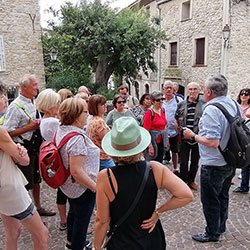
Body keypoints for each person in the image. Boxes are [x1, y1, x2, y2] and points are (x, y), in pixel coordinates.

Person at [93, 117, 193, 250]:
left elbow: (102, 220)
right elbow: (186, 195)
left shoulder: (106, 176)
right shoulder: (155, 168)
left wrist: (96, 247)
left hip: (123, 240)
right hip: (151, 237)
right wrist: (158, 211)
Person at [183, 74, 238, 242]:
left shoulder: (212, 109)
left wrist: (192, 135)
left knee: (210, 199)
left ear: (208, 92)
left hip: (214, 163)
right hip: (230, 159)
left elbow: (213, 142)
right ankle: (220, 226)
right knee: (223, 195)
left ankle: (212, 232)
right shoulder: (233, 104)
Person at [0, 81, 48, 250]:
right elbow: (23, 160)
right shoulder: (1, 130)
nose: (5, 99)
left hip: (4, 187)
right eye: (1, 96)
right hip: (10, 188)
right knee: (42, 234)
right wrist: (18, 148)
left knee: (13, 232)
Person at [3, 74, 55, 217]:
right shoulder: (15, 106)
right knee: (26, 183)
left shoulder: (34, 103)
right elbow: (7, 132)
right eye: (34, 85)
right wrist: (29, 127)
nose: (37, 88)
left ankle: (38, 208)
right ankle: (27, 214)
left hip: (35, 148)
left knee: (37, 180)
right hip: (24, 150)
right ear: (23, 87)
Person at [56, 97, 99, 250]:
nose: (87, 115)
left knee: (74, 214)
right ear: (75, 115)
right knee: (82, 221)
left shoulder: (62, 129)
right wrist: (95, 187)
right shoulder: (76, 139)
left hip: (68, 186)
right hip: (82, 187)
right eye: (85, 112)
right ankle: (77, 246)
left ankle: (70, 243)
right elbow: (76, 171)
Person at [36, 89, 68, 231]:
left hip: (54, 156)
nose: (59, 105)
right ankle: (66, 220)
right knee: (68, 190)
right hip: (60, 156)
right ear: (50, 105)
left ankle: (63, 220)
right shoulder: (53, 122)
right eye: (57, 103)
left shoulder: (44, 120)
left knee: (62, 191)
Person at [175, 82, 205, 190]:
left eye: (195, 89)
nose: (192, 91)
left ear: (199, 90)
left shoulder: (204, 104)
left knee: (195, 161)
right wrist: (179, 130)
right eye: (190, 89)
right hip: (184, 138)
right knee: (183, 161)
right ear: (188, 90)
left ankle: (191, 180)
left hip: (198, 138)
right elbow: (176, 117)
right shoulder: (181, 104)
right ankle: (183, 181)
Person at [87, 94, 115, 171]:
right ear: (96, 107)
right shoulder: (99, 121)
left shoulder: (92, 120)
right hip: (103, 156)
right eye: (102, 104)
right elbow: (106, 140)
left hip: (98, 156)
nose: (105, 106)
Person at [162, 80, 182, 173]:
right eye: (167, 88)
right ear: (163, 89)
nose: (169, 90)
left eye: (171, 88)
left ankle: (175, 169)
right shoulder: (160, 100)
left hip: (174, 131)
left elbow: (183, 114)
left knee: (175, 151)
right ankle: (161, 171)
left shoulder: (179, 100)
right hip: (162, 131)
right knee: (161, 152)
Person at [233, 88, 250, 193]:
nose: (244, 95)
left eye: (246, 94)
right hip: (238, 135)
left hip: (248, 136)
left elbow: (248, 115)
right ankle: (243, 186)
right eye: (242, 94)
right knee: (243, 161)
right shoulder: (236, 106)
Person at [143, 91, 168, 163]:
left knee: (159, 162)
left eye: (162, 99)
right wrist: (150, 146)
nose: (161, 101)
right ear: (153, 101)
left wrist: (167, 140)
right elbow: (146, 131)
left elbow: (164, 125)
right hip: (153, 142)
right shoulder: (149, 113)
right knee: (151, 162)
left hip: (161, 141)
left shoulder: (163, 110)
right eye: (158, 100)